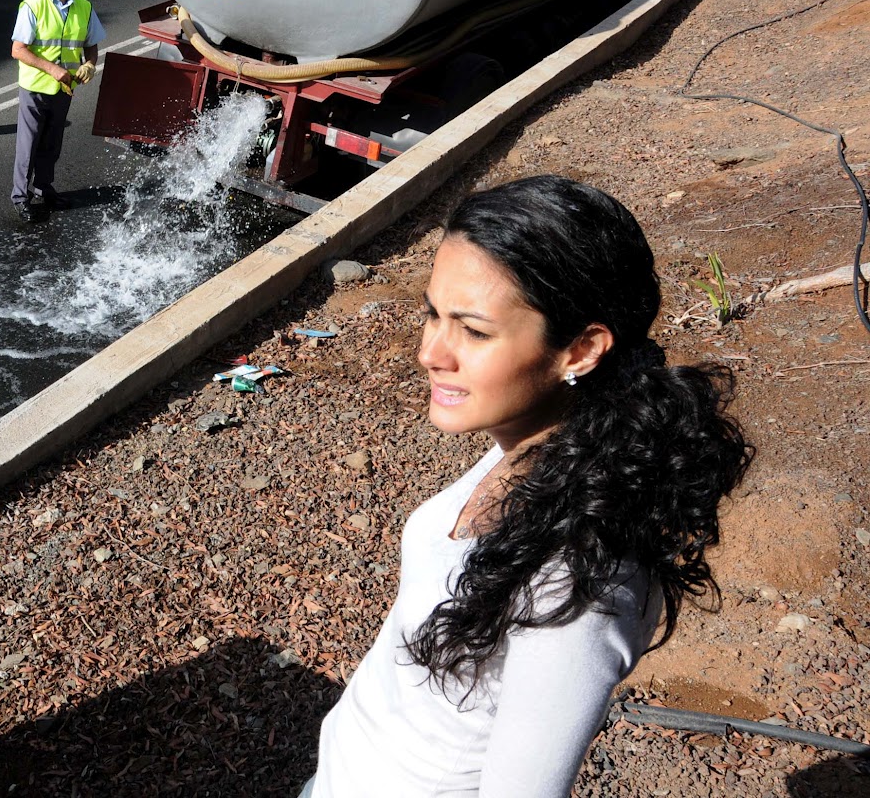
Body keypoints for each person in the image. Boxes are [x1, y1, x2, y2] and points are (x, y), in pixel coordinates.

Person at [304, 175, 752, 798]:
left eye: (474, 331)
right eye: (433, 314)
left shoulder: (580, 584)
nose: (431, 352)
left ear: (581, 350)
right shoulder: (537, 445)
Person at [9, 0, 105, 223]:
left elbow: (92, 44)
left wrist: (90, 64)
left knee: (52, 142)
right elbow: (18, 50)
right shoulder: (33, 5)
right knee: (28, 145)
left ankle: (43, 188)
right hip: (36, 87)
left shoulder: (84, 7)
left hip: (65, 89)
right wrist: (52, 69)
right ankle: (20, 197)